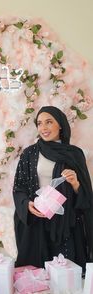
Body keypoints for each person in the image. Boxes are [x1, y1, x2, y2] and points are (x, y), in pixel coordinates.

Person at [13, 105, 93, 271]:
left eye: (49, 122)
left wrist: (75, 183)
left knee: (66, 274)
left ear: (60, 125)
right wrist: (26, 204)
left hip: (66, 222)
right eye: (40, 123)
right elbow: (18, 187)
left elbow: (86, 195)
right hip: (38, 219)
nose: (43, 128)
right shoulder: (30, 153)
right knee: (37, 275)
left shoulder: (74, 154)